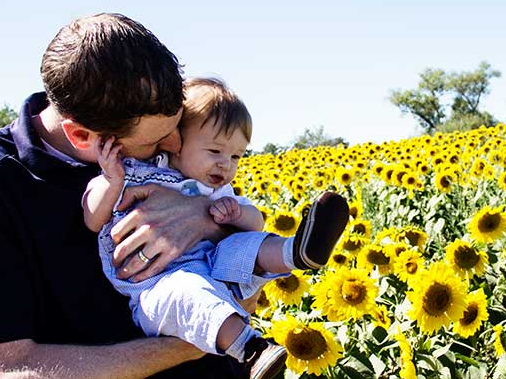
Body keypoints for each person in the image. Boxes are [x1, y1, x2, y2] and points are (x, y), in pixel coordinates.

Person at [0, 13, 335, 378]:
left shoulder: (159, 143)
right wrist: (192, 339)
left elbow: (245, 284)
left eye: (176, 131)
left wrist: (202, 215)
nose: (173, 146)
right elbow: (12, 365)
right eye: (154, 144)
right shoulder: (6, 185)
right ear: (82, 136)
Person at [83, 77, 349, 378]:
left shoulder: (216, 189)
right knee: (190, 293)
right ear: (175, 141)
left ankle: (298, 252)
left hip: (216, 266)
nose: (226, 165)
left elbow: (255, 221)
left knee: (244, 244)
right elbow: (92, 219)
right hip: (158, 286)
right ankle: (251, 349)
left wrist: (236, 214)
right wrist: (110, 181)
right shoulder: (134, 173)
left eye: (236, 156)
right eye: (215, 152)